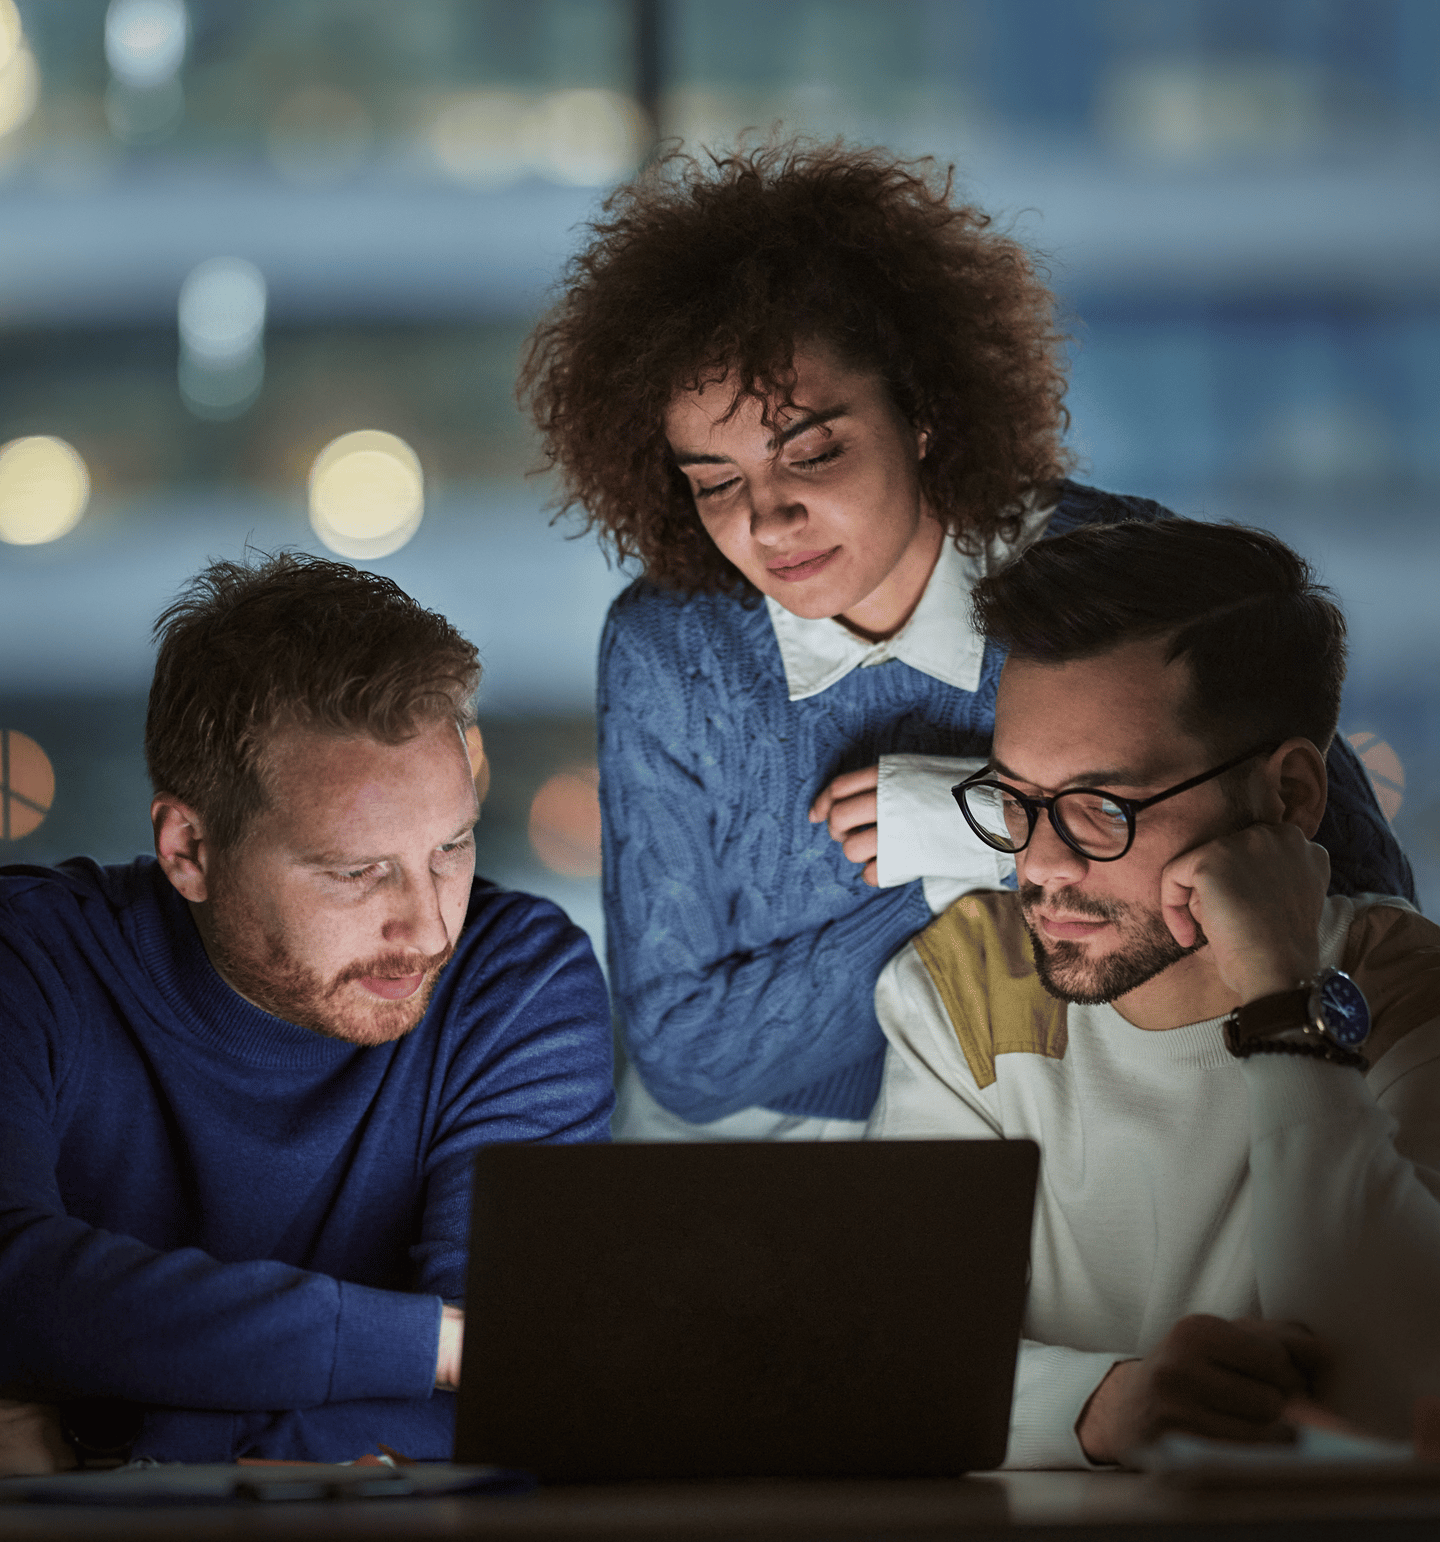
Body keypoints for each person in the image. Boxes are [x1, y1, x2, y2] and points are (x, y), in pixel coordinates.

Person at [521, 140, 1413, 1141]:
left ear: (926, 414)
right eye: (715, 482)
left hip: (1089, 1156)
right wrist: (963, 871)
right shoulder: (670, 648)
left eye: (813, 451)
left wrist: (981, 824)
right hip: (766, 1184)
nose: (768, 521)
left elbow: (1366, 911)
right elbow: (687, 1057)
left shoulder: (1133, 583)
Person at [0, 553, 614, 1473]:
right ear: (189, 849)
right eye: (356, 870)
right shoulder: (28, 963)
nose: (428, 920)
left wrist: (110, 1435)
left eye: (450, 847)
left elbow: (512, 1386)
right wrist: (424, 1347)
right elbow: (13, 1285)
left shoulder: (516, 981)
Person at [867, 515, 1440, 1467]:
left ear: (1291, 795)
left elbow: (1399, 1388)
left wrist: (1282, 994)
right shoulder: (966, 986)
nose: (1040, 866)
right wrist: (1101, 1406)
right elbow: (894, 1364)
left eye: (1103, 807)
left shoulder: (1403, 989)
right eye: (1016, 799)